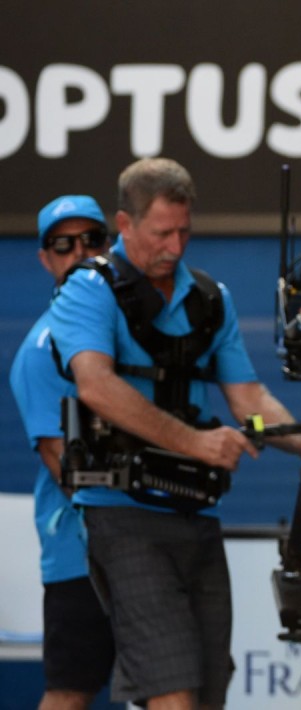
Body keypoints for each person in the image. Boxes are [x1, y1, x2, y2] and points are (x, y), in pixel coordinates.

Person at [47, 158, 301, 710]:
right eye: (161, 233)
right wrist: (197, 441)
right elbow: (96, 387)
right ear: (124, 224)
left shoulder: (210, 297)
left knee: (207, 694)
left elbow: (247, 398)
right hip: (121, 514)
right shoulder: (87, 290)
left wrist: (300, 439)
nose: (175, 246)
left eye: (185, 231)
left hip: (195, 515)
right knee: (171, 695)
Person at [10, 195, 115, 710]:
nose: (80, 253)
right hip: (80, 554)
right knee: (71, 692)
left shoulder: (132, 330)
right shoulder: (37, 350)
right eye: (63, 244)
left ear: (111, 245)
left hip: (148, 546)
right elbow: (65, 468)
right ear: (46, 259)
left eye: (93, 240)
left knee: (173, 686)